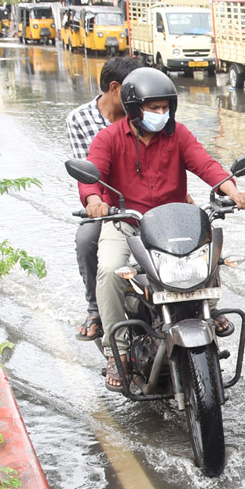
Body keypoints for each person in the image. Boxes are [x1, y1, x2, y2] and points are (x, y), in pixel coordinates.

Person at [78, 67, 245, 390]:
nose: (160, 114)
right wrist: (93, 200)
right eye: (152, 108)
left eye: (164, 107)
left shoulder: (179, 134)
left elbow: (206, 164)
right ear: (133, 108)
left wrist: (233, 191)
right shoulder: (109, 138)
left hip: (173, 220)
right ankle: (118, 352)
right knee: (111, 270)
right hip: (127, 222)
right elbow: (92, 177)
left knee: (210, 246)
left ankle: (207, 310)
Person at [65, 55, 141, 341]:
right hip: (107, 202)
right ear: (115, 88)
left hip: (144, 200)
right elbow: (90, 173)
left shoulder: (143, 113)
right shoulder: (80, 119)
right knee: (86, 240)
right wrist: (96, 201)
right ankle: (95, 307)